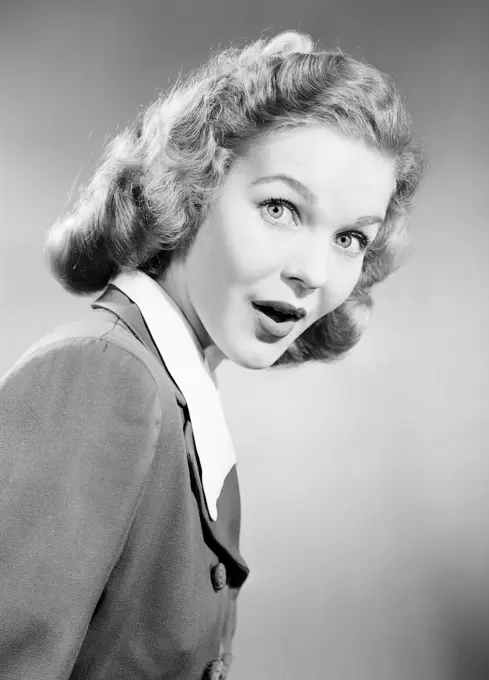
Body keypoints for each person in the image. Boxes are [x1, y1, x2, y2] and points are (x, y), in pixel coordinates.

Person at [0, 30, 425, 680]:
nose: (313, 271)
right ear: (194, 189)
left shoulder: (178, 396)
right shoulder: (103, 377)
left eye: (349, 238)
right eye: (280, 208)